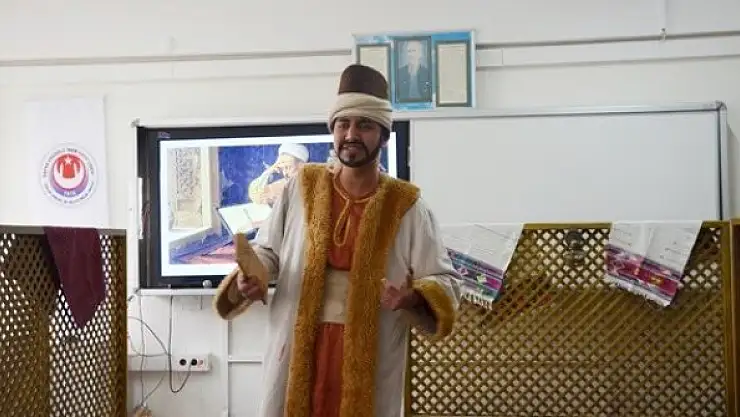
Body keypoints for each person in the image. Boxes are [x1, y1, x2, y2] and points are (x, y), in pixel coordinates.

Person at [214, 64, 461, 417]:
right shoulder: (301, 188)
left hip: (370, 352)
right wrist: (252, 276)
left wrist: (413, 296)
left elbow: (445, 280)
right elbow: (269, 252)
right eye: (343, 124)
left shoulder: (406, 206)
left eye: (365, 125)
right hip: (298, 346)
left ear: (384, 136)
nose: (351, 134)